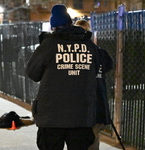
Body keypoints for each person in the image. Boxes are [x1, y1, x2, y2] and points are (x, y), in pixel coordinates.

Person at [26, 4, 101, 150]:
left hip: (51, 116)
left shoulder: (49, 45)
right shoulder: (89, 45)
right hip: (82, 116)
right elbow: (100, 67)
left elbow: (33, 73)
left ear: (53, 26)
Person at [75, 19, 113, 150]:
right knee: (93, 139)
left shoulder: (75, 55)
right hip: (98, 105)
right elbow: (108, 66)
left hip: (80, 107)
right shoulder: (100, 53)